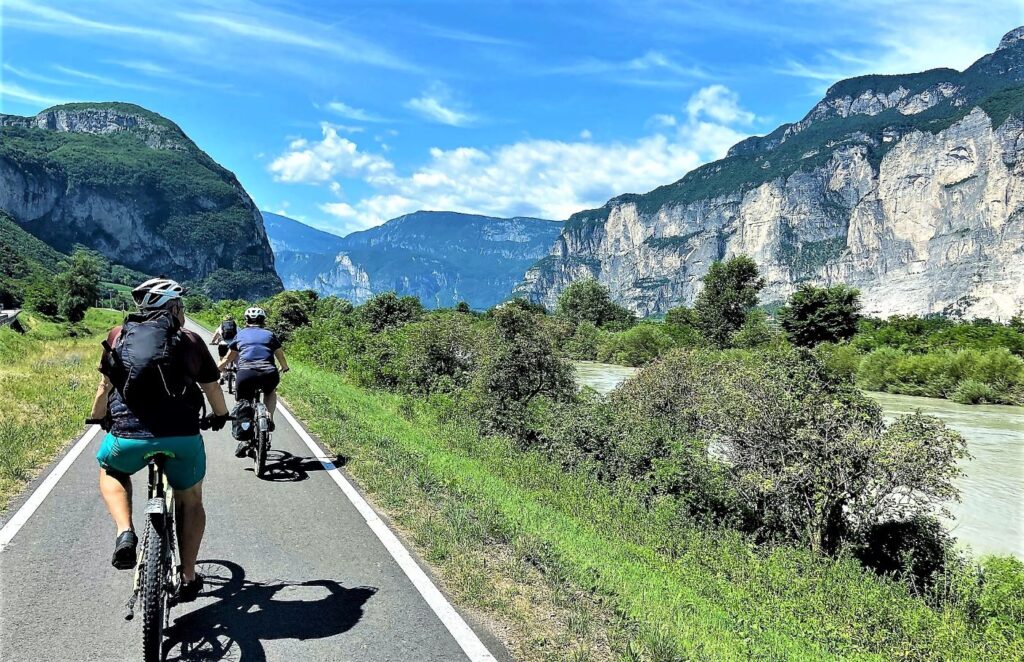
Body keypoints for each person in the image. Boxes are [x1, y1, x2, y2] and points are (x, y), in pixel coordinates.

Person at [89, 277, 230, 603]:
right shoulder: (191, 341)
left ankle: (125, 531)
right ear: (174, 308)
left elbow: (103, 388)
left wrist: (98, 417)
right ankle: (189, 575)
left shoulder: (118, 335)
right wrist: (220, 416)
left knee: (110, 469)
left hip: (128, 437)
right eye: (181, 306)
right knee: (191, 498)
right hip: (182, 438)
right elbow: (212, 389)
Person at [218, 306, 289, 458]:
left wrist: (219, 368)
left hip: (246, 374)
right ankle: (268, 417)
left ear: (246, 320)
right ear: (263, 320)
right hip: (268, 373)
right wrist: (284, 367)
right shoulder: (270, 335)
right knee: (270, 392)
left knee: (244, 402)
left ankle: (245, 438)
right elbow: (280, 356)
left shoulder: (241, 335)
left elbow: (229, 358)